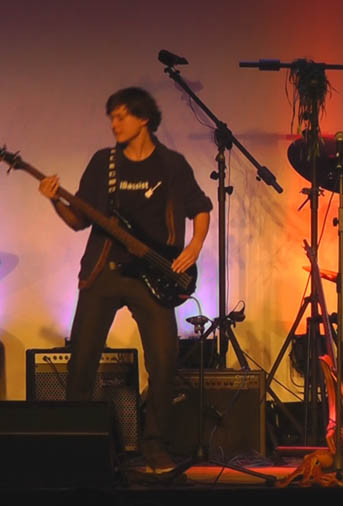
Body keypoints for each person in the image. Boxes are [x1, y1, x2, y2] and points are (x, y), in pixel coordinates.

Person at [38, 87, 212, 474]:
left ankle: (156, 448)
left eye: (121, 116)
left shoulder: (172, 165)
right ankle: (77, 452)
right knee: (82, 362)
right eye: (112, 118)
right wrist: (54, 199)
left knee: (164, 363)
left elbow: (200, 207)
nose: (114, 124)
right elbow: (79, 220)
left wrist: (195, 246)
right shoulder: (104, 163)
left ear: (143, 119)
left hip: (153, 277)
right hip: (104, 273)